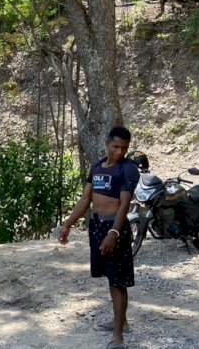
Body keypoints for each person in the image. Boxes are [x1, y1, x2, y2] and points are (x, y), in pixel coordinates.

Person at [57, 126, 140, 349]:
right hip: (96, 227)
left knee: (118, 280)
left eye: (124, 148)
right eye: (115, 147)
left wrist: (114, 232)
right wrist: (67, 224)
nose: (119, 152)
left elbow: (124, 205)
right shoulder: (96, 167)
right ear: (107, 143)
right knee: (109, 277)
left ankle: (119, 336)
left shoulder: (128, 170)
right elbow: (86, 199)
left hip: (115, 229)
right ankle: (119, 321)